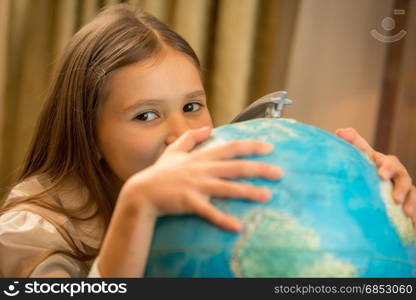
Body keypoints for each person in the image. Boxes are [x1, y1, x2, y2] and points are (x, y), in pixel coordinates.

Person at [0, 4, 414, 278]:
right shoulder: (27, 235)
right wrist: (136, 209)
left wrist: (372, 199)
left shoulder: (214, 186)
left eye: (193, 107)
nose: (182, 134)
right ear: (88, 134)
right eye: (146, 115)